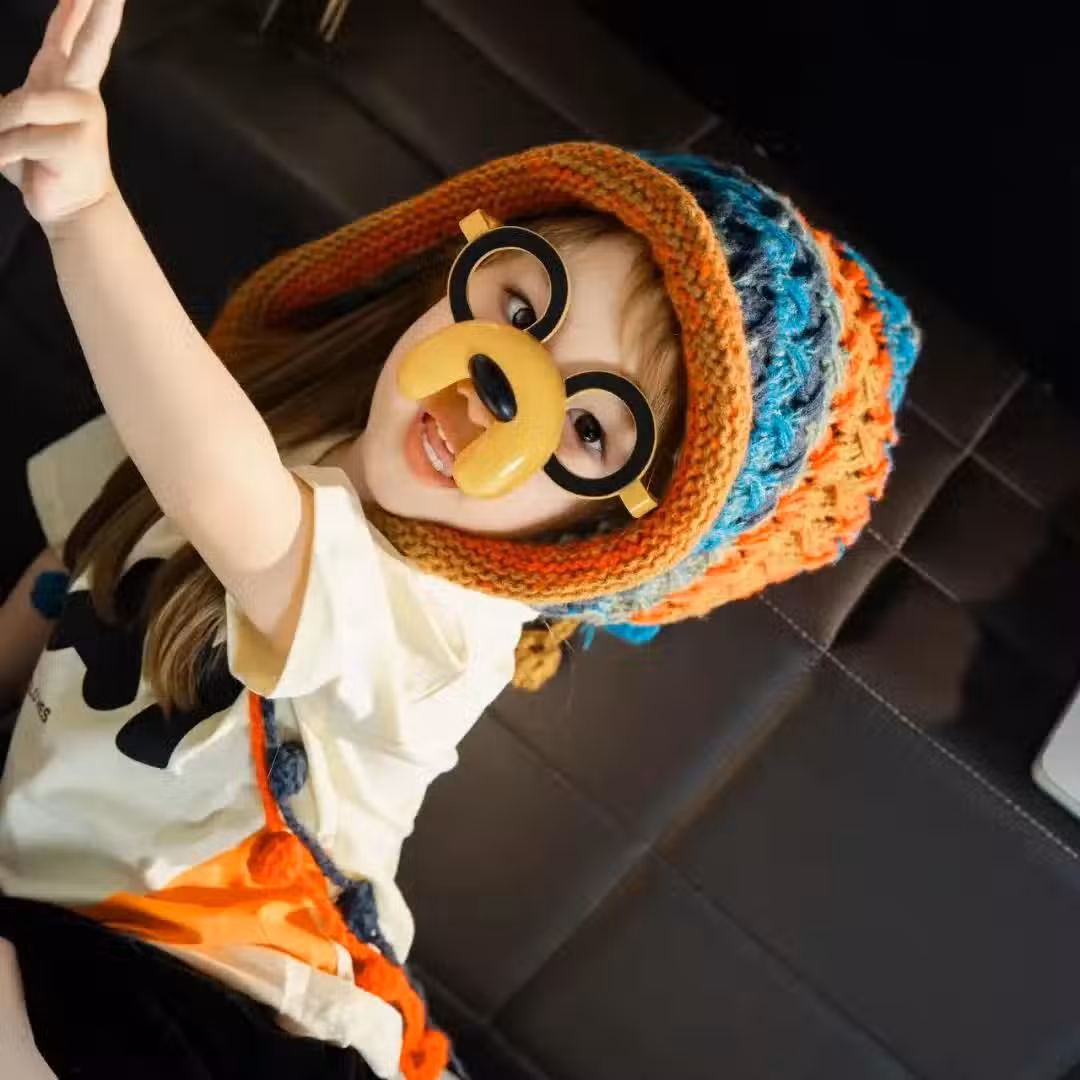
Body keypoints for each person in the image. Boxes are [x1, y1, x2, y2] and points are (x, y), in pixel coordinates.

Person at [0, 1, 919, 1077]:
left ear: (600, 535)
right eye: (521, 309)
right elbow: (72, 569)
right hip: (60, 917)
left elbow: (230, 505)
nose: (495, 390)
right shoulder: (244, 407)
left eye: (586, 429)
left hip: (223, 1000)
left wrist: (89, 214)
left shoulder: (444, 632)